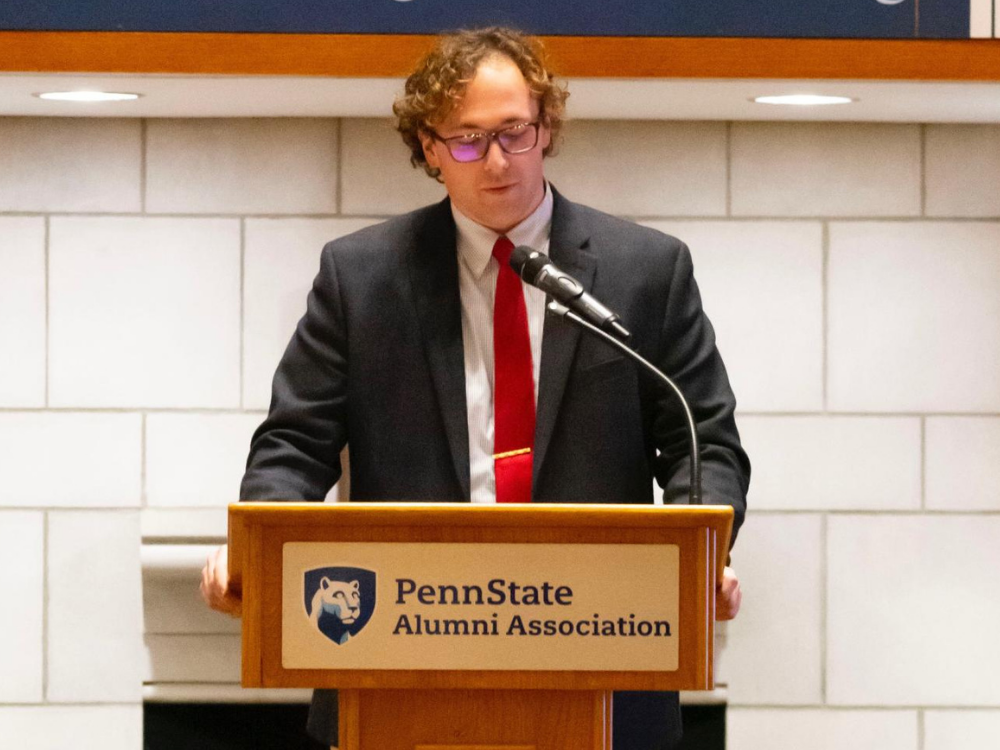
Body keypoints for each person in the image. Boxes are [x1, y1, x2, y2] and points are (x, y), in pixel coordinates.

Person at [202, 26, 748, 750]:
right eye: (466, 139)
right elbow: (294, 446)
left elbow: (701, 441)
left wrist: (702, 555)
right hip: (405, 647)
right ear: (429, 148)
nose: (496, 161)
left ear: (546, 128)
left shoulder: (647, 271)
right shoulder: (361, 278)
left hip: (602, 647)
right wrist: (257, 549)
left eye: (514, 133)